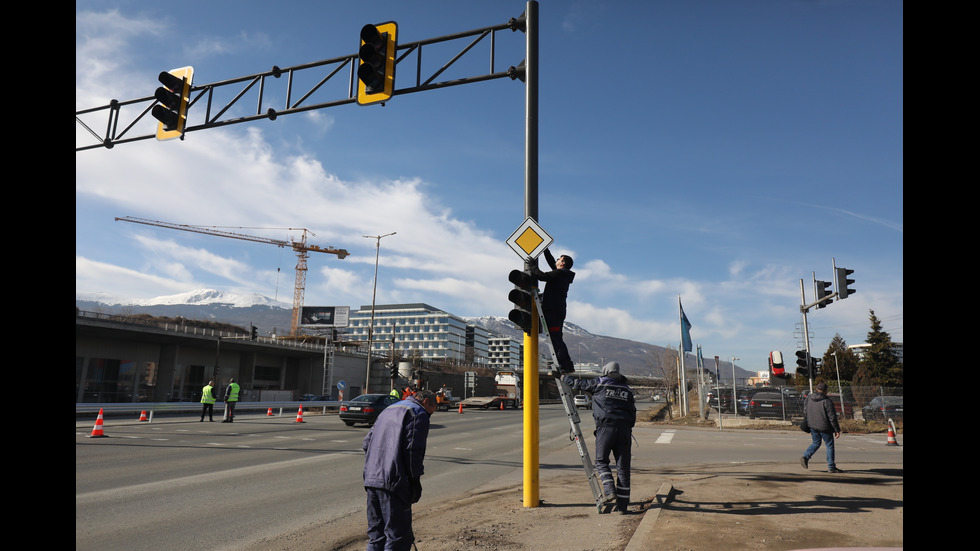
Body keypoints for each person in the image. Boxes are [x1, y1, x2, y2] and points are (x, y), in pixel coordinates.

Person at [362, 389, 437, 551]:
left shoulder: (389, 409)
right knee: (398, 537)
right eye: (431, 412)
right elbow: (412, 452)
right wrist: (415, 481)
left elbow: (366, 443)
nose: (429, 416)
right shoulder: (418, 413)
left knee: (376, 535)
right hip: (394, 483)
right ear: (425, 402)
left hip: (371, 478)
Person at [564, 362, 636, 514]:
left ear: (606, 371)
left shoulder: (600, 383)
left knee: (601, 461)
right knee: (623, 468)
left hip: (606, 428)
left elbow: (579, 384)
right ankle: (623, 506)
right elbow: (633, 412)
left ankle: (609, 490)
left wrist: (563, 377)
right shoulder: (627, 389)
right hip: (624, 431)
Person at [531, 248, 576, 373]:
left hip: (553, 311)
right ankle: (566, 365)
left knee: (555, 338)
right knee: (556, 337)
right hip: (556, 310)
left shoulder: (561, 274)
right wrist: (545, 250)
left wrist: (532, 266)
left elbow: (542, 276)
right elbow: (552, 263)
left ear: (562, 263)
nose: (556, 260)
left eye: (559, 259)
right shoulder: (563, 274)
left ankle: (566, 366)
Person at [801, 382, 843, 473]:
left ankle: (805, 456)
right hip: (825, 426)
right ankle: (831, 466)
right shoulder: (827, 401)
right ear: (825, 391)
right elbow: (832, 417)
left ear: (817, 389)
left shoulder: (809, 398)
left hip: (812, 425)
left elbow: (805, 410)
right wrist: (837, 429)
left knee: (816, 442)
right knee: (829, 445)